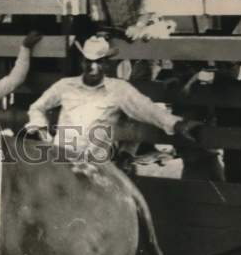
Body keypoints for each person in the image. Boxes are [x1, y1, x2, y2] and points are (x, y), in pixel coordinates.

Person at [24, 35, 199, 161]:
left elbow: (146, 109)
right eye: (87, 61)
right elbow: (36, 107)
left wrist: (177, 124)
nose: (92, 67)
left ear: (106, 63)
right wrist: (40, 128)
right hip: (60, 157)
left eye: (99, 61)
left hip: (95, 162)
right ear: (81, 62)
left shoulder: (118, 89)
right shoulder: (65, 85)